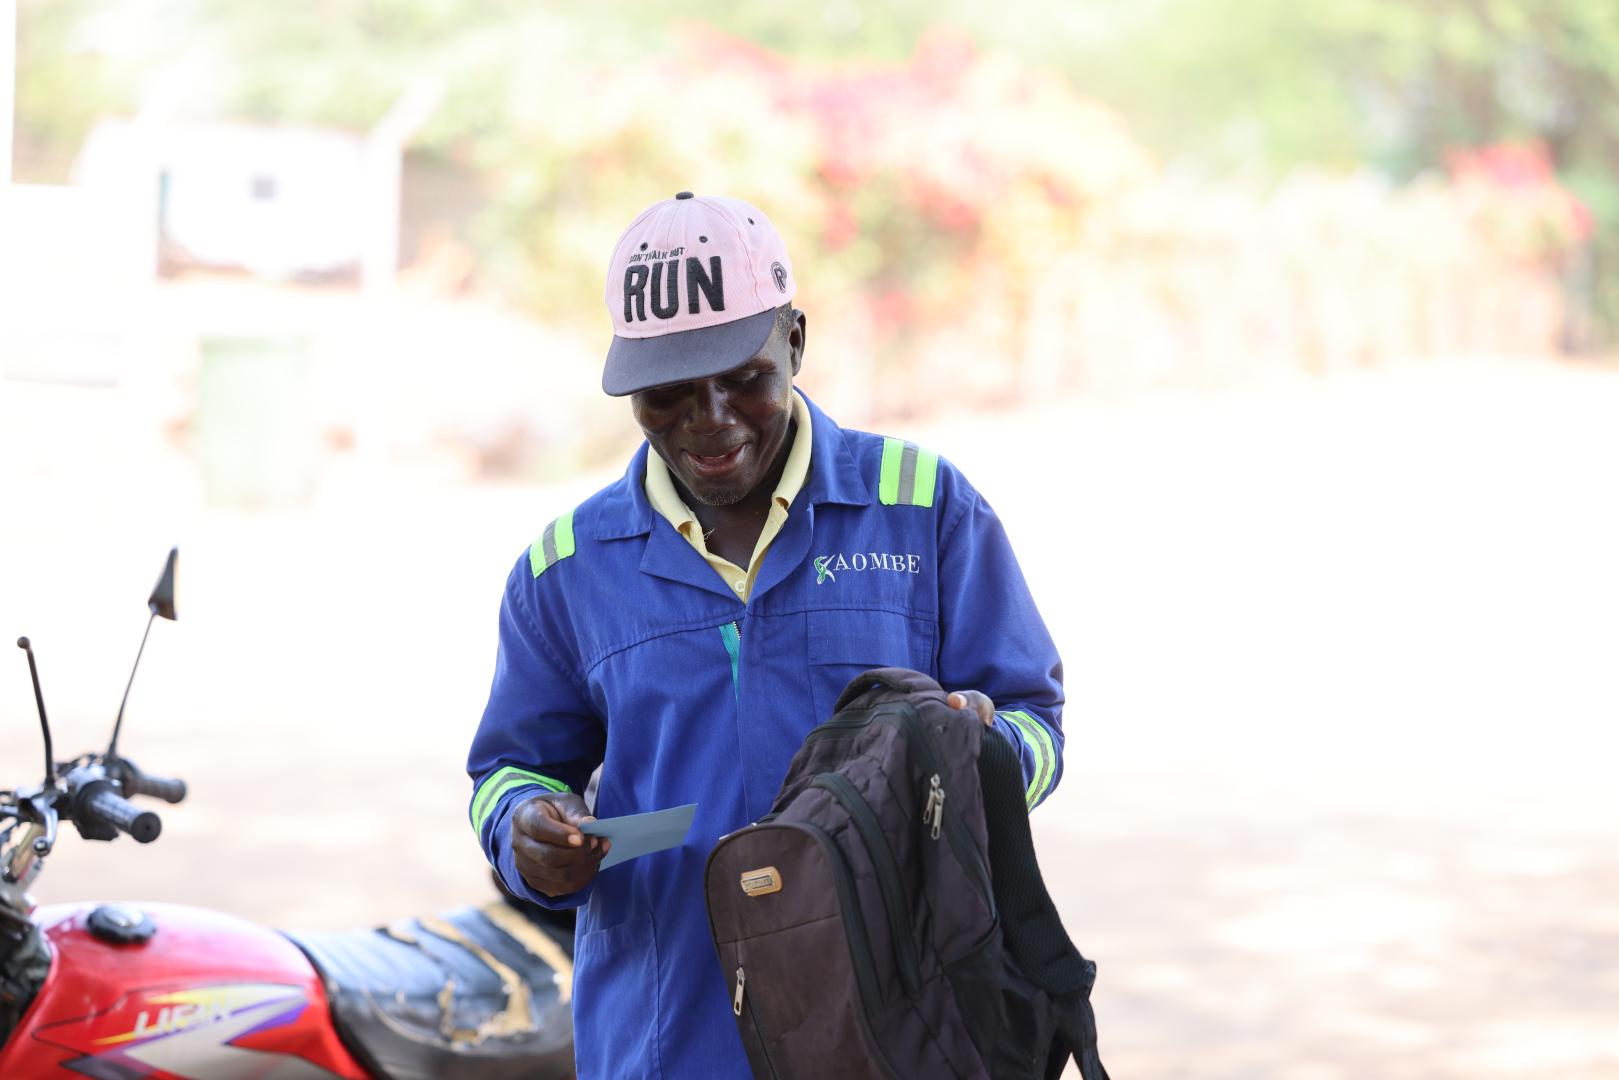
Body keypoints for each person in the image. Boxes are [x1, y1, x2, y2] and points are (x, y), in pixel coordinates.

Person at [467, 192, 1067, 1078]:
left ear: (793, 339)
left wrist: (981, 754)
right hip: (668, 1040)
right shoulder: (566, 568)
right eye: (666, 393)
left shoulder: (921, 508)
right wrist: (527, 830)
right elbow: (506, 772)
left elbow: (1034, 722)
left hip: (899, 1033)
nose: (708, 419)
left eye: (742, 378)